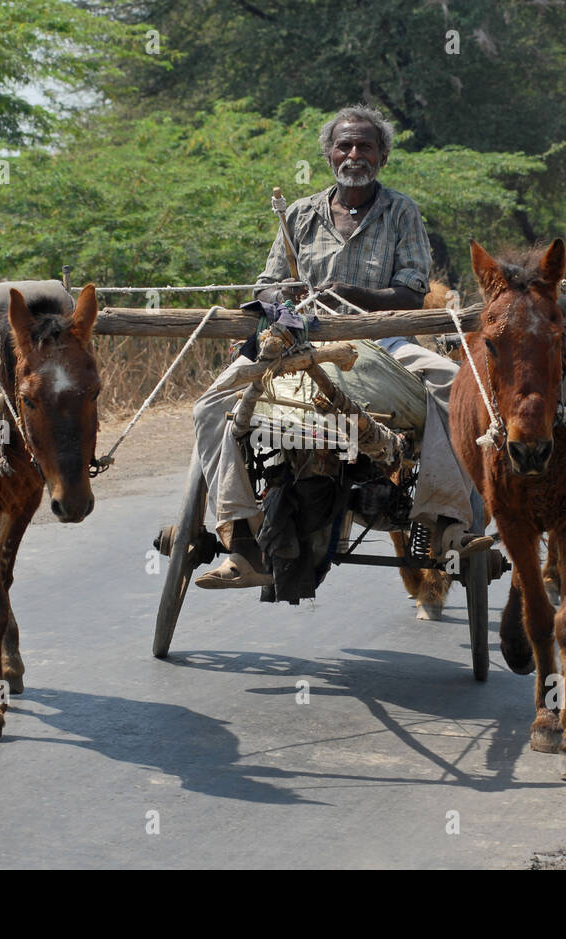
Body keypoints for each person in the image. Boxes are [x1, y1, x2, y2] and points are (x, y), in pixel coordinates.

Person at [192, 104, 489, 589]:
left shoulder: (402, 211)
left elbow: (413, 292)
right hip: (296, 339)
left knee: (453, 384)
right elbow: (266, 283)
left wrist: (355, 296)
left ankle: (445, 519)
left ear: (382, 156)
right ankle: (244, 543)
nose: (354, 154)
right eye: (344, 145)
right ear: (330, 154)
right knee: (210, 406)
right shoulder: (299, 214)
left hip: (382, 340)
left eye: (365, 146)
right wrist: (278, 298)